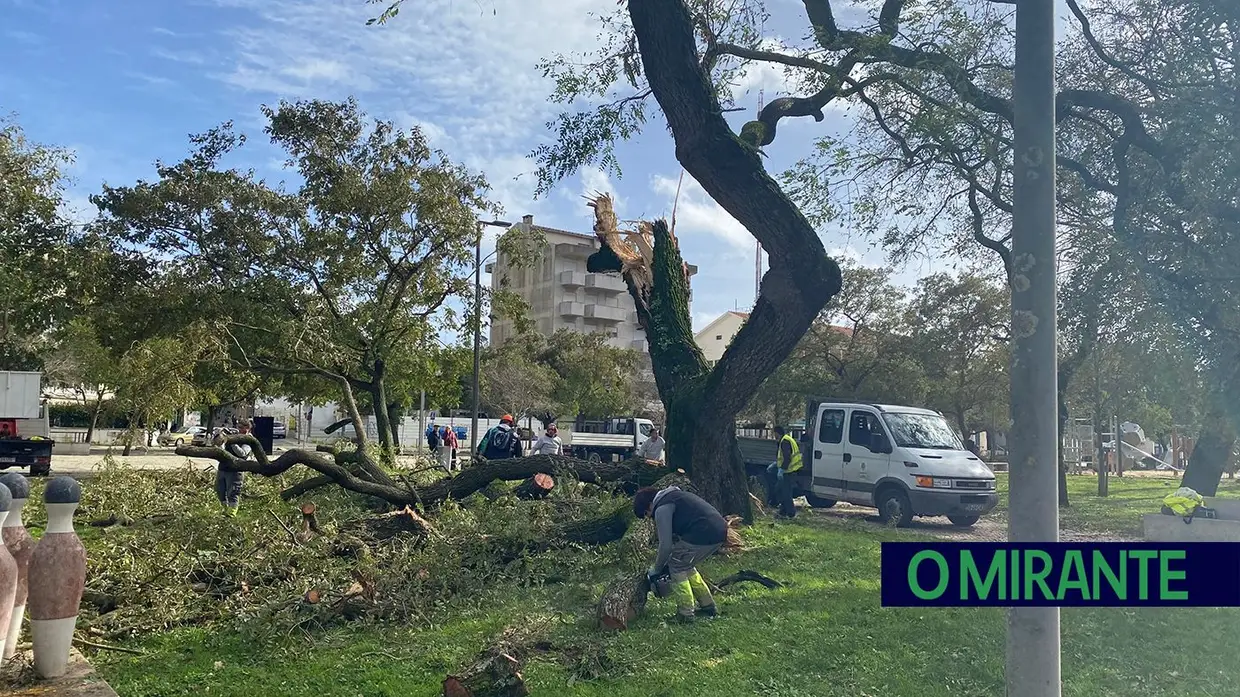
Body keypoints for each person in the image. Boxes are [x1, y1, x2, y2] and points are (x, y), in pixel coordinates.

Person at [633, 484, 725, 624]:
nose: (649, 517)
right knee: (685, 565)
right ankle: (708, 606)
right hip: (718, 530)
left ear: (649, 505)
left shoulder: (662, 508)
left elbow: (665, 546)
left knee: (676, 566)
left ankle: (685, 613)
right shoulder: (674, 496)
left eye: (646, 513)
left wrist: (656, 569)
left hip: (705, 532)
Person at [214, 419, 255, 517]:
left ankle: (231, 514)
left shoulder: (249, 440)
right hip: (223, 468)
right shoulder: (234, 436)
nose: (240, 430)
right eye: (238, 427)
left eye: (242, 428)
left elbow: (242, 453)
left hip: (236, 470)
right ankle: (225, 509)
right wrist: (219, 438)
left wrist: (232, 442)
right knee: (219, 490)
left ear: (248, 429)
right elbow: (222, 449)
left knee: (233, 492)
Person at [765, 425, 801, 518]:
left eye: (774, 433)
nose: (774, 436)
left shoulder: (784, 442)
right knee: (782, 491)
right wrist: (776, 465)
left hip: (788, 472)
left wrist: (782, 470)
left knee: (786, 493)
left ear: (777, 433)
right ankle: (783, 512)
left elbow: (787, 458)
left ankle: (791, 513)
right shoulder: (787, 439)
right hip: (791, 471)